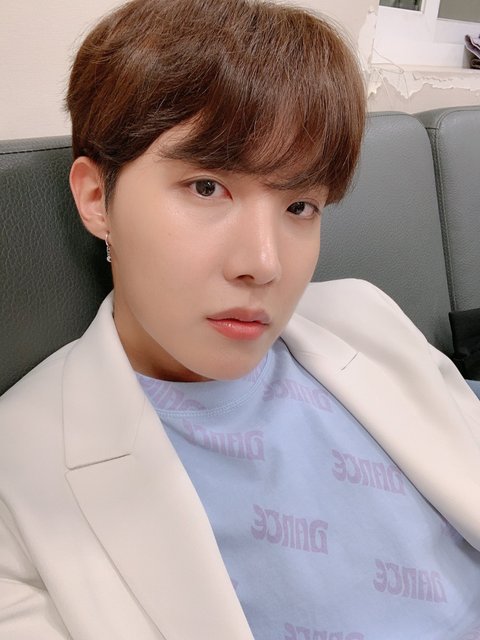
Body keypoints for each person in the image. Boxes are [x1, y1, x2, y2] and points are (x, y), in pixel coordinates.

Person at [0, 0, 479, 638]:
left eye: (300, 205)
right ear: (96, 198)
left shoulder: (363, 315)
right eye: (207, 187)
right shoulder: (19, 478)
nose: (264, 264)